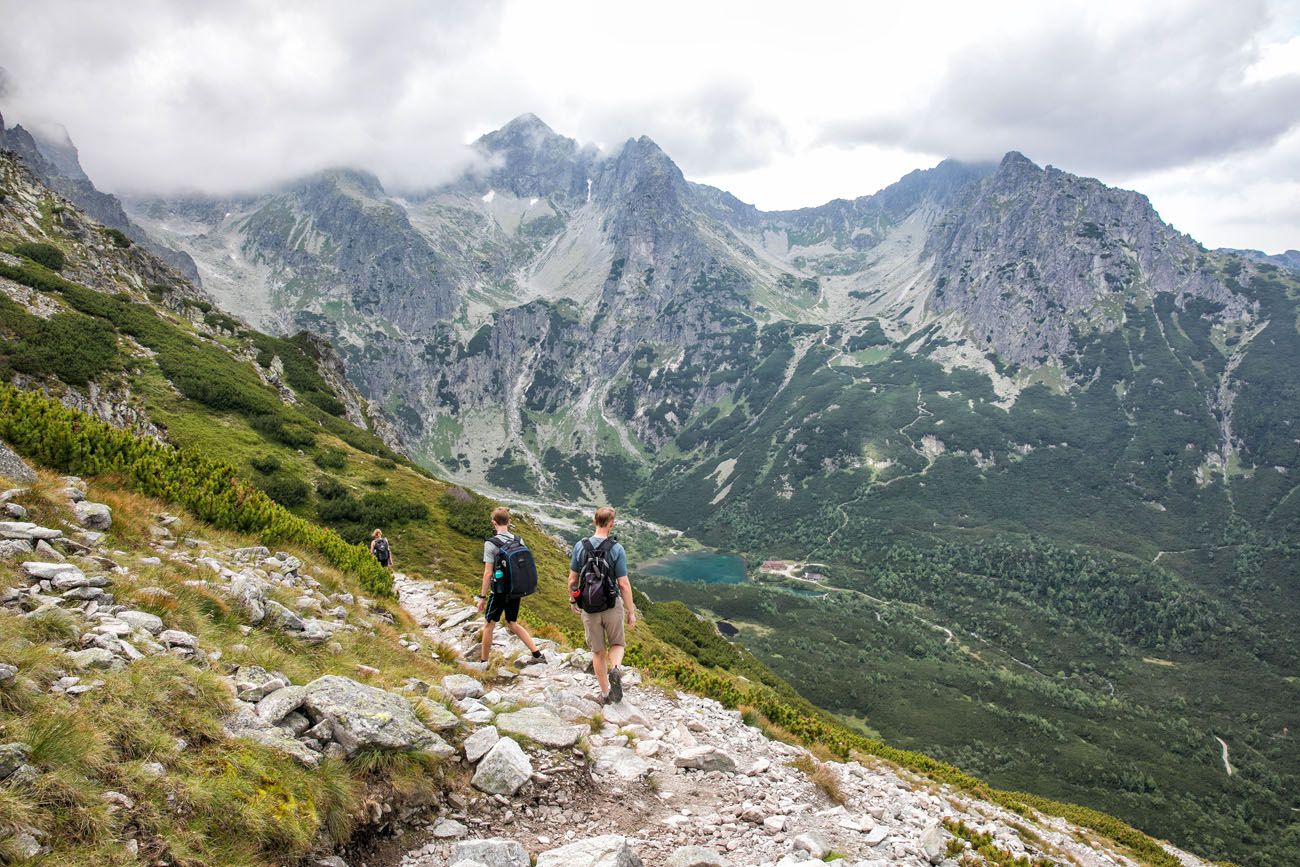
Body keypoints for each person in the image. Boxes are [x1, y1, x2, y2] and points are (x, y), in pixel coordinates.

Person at [568, 506, 637, 704]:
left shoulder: (580, 546)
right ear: (612, 524)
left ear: (594, 521)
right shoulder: (616, 548)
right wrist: (630, 611)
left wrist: (573, 599)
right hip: (611, 604)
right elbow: (623, 583)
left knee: (598, 652)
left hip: (589, 607)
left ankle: (605, 693)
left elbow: (572, 579)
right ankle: (615, 668)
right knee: (617, 643)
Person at [475, 507, 543, 664]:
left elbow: (487, 573)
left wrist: (482, 597)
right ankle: (537, 654)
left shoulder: (491, 544)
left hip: (499, 591)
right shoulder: (519, 540)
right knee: (512, 622)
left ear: (493, 523)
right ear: (509, 521)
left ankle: (483, 662)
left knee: (489, 625)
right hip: (515, 589)